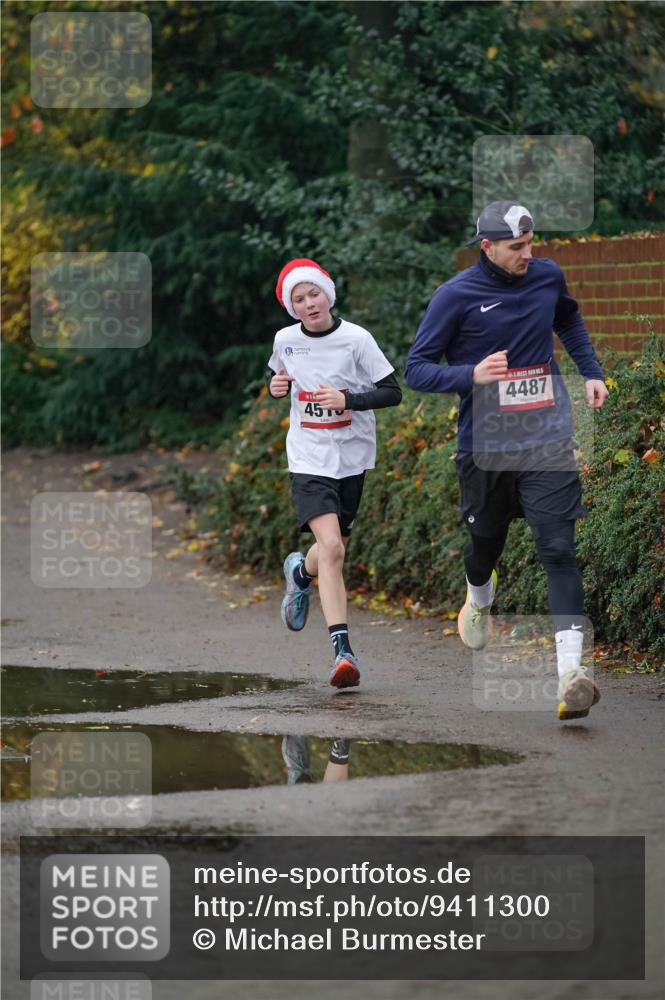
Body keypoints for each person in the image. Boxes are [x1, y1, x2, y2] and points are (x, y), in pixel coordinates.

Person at [405, 201, 608, 721]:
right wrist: (469, 374)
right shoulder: (455, 296)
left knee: (558, 549)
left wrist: (590, 371)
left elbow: (568, 318)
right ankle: (478, 596)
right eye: (516, 247)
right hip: (486, 447)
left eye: (530, 243)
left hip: (547, 437)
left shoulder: (547, 276)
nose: (527, 254)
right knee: (485, 546)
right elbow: (417, 369)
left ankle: (571, 675)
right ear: (487, 247)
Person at [267, 258, 401, 688]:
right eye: (299, 299)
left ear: (328, 295)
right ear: (292, 307)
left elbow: (392, 392)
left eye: (314, 294)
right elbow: (277, 377)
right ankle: (343, 651)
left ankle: (300, 574)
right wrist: (275, 387)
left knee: (334, 548)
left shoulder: (357, 339)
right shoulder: (286, 340)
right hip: (308, 457)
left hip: (351, 457)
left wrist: (349, 400)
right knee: (331, 547)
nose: (309, 303)